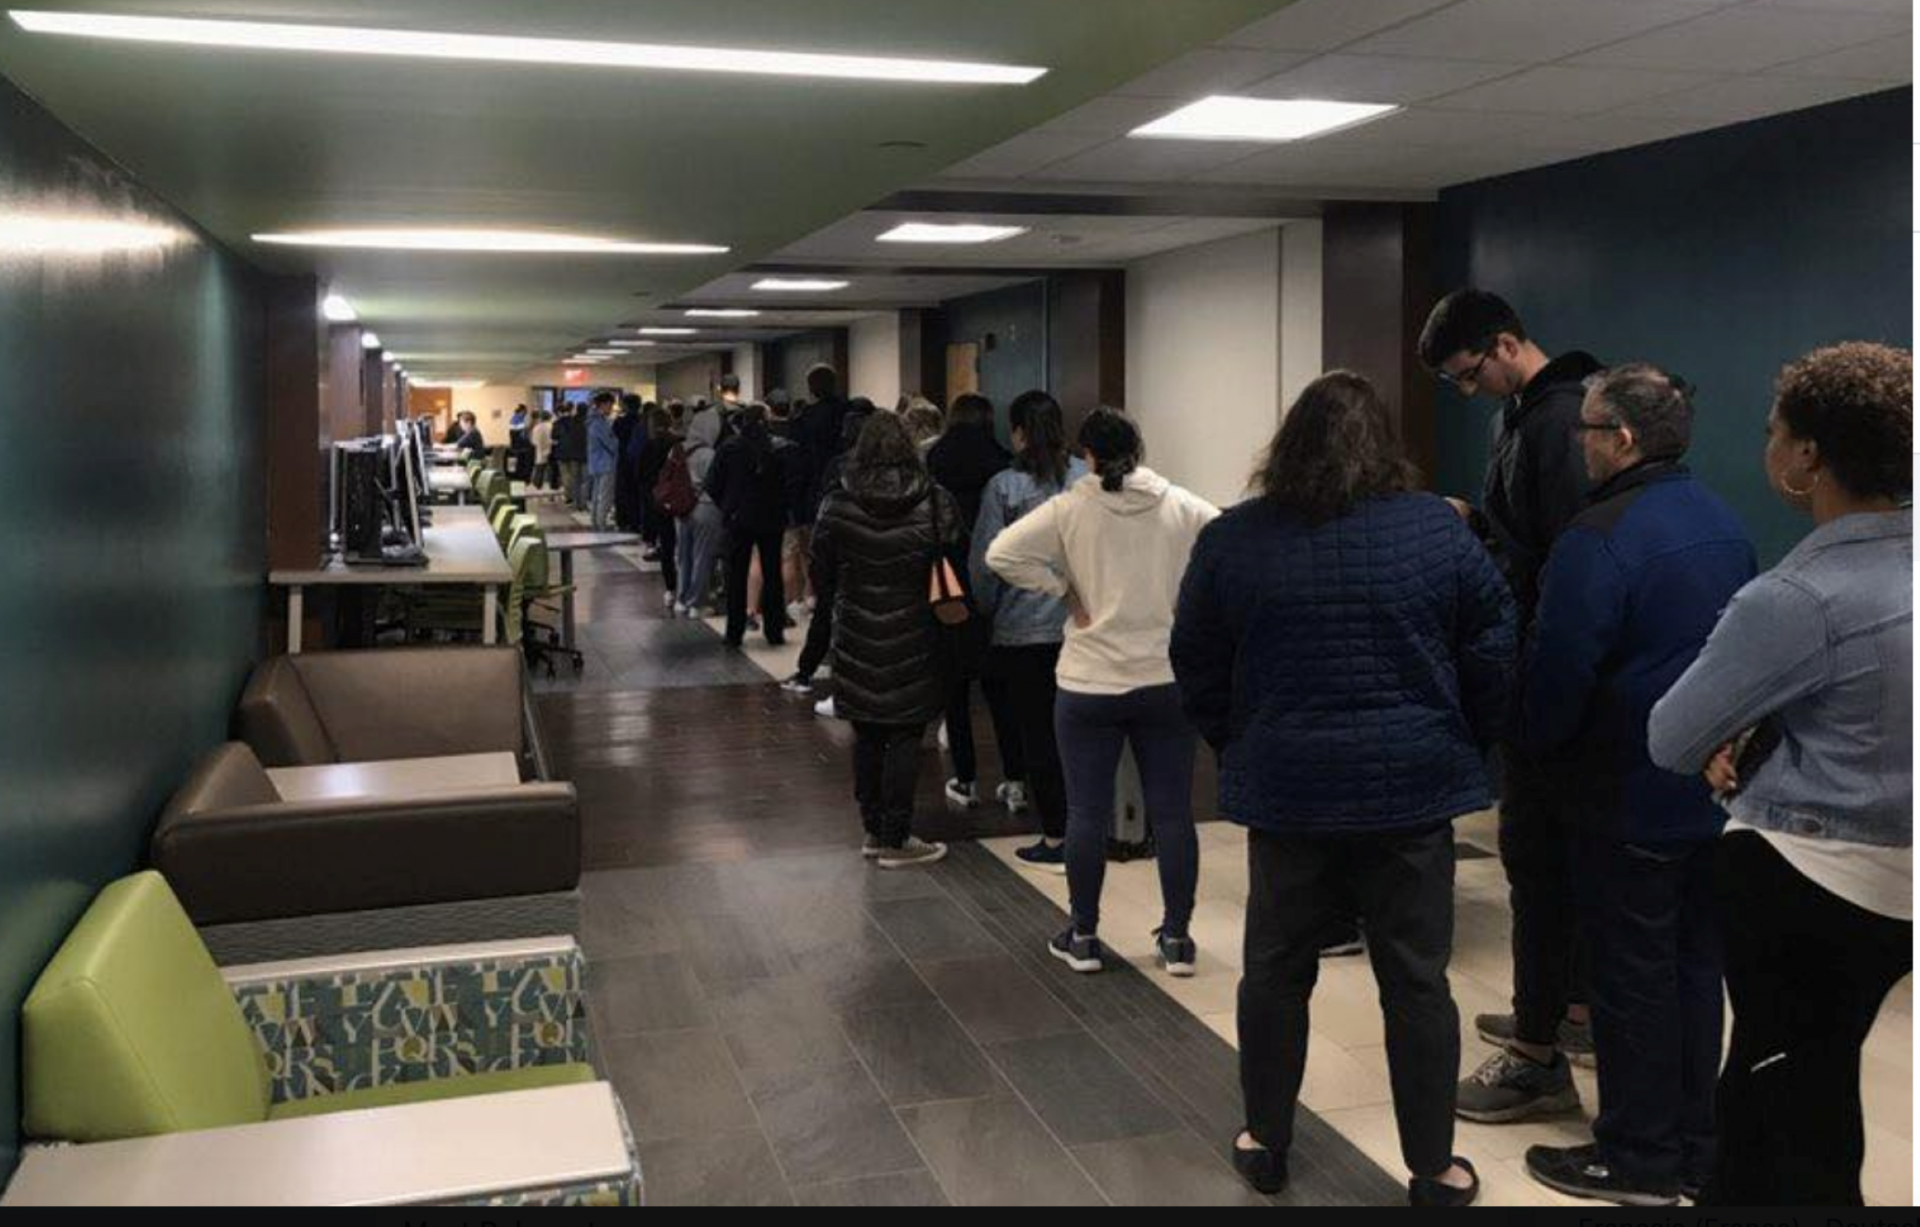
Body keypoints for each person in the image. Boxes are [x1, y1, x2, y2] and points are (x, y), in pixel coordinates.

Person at [1172, 371, 1511, 1208]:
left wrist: (1241, 739)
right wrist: (1463, 733)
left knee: (1276, 970)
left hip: (1287, 791)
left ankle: (1266, 1140)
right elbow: (1496, 640)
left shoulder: (1234, 537)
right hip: (1412, 792)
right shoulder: (1436, 530)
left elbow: (1196, 659)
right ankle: (1433, 1166)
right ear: (1384, 444)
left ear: (1286, 444)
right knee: (1416, 980)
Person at [1649, 342, 1913, 1207]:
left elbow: (1671, 736)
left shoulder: (1797, 597)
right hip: (1896, 887)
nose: (1765, 444)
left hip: (1809, 883)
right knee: (1802, 1086)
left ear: (1807, 455)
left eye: (1773, 430)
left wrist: (1737, 736)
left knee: (1783, 1109)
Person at [1513, 366, 1756, 1207]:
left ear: (1620, 439)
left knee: (1630, 978)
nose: (1576, 443)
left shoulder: (1597, 537)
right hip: (1709, 792)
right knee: (1695, 971)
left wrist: (1533, 755)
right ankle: (1695, 1145)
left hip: (1620, 793)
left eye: (1586, 429)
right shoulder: (1724, 524)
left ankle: (1637, 1156)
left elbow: (1559, 672)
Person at [1418, 288, 1605, 1118]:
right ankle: (1565, 1012)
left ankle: (1538, 1051)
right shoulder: (1538, 413)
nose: (1469, 391)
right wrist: (1481, 520)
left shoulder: (1560, 422)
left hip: (1551, 676)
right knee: (1555, 860)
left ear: (1503, 343)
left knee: (1535, 857)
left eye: (1468, 374)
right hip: (1550, 670)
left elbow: (1564, 561)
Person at [987, 407, 1219, 978]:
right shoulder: (1180, 504)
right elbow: (1226, 544)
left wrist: (1061, 588)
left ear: (1086, 456)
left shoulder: (1070, 507)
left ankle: (1084, 935)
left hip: (1088, 683)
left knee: (1086, 812)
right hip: (1164, 681)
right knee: (1171, 814)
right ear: (1139, 449)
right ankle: (1178, 940)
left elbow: (1001, 554)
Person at [811, 412, 964, 869]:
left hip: (856, 629)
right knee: (905, 733)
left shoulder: (837, 502)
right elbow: (955, 554)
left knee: (866, 732)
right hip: (917, 631)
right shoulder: (935, 501)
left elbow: (822, 570)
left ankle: (874, 828)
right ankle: (897, 836)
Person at [970, 390, 1086, 871]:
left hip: (1021, 632)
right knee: (1083, 735)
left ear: (1018, 432)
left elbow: (985, 564)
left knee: (1037, 734)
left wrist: (991, 613)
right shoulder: (1086, 479)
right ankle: (1091, 828)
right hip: (1082, 626)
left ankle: (1057, 835)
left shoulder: (1004, 487)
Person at [928, 393, 1014, 809]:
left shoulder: (933, 461)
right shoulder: (1005, 466)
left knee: (955, 691)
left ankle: (965, 778)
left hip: (948, 588)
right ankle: (1015, 777)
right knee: (1003, 693)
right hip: (1000, 589)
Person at [784, 400, 878, 696]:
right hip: (876, 556)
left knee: (828, 616)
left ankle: (807, 675)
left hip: (842, 555)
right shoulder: (890, 472)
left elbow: (825, 511)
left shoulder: (838, 467)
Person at [706, 402, 798, 648]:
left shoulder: (729, 447)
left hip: (738, 519)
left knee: (736, 575)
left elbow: (712, 483)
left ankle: (734, 632)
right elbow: (791, 485)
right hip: (771, 518)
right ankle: (774, 629)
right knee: (772, 573)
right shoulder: (780, 448)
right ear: (766, 422)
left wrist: (728, 506)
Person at [672, 401, 726, 618]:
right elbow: (716, 484)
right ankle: (697, 602)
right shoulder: (709, 454)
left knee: (683, 555)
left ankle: (681, 599)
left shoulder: (677, 449)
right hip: (705, 507)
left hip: (681, 507)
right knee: (702, 557)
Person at [633, 404, 680, 606]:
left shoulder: (648, 446)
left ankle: (670, 589)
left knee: (667, 546)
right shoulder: (678, 443)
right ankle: (689, 588)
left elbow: (640, 474)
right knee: (685, 547)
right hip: (679, 500)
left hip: (659, 501)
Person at [586, 391, 620, 532]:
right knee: (604, 496)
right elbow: (611, 443)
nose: (612, 408)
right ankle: (601, 524)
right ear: (604, 404)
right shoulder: (600, 423)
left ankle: (595, 522)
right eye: (611, 405)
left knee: (596, 495)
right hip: (605, 463)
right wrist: (617, 441)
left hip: (595, 462)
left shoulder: (591, 421)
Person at [614, 393, 645, 532]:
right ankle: (637, 521)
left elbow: (614, 439)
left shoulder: (619, 422)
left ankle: (623, 520)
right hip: (641, 460)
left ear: (625, 405)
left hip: (623, 459)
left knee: (622, 491)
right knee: (637, 492)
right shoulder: (643, 421)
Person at [553, 401, 588, 510]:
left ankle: (571, 498)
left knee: (569, 476)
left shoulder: (560, 422)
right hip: (582, 454)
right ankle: (581, 502)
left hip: (567, 453)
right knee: (583, 480)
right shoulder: (587, 422)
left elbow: (554, 436)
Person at [529, 408, 555, 489]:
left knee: (539, 472)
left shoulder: (536, 428)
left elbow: (533, 442)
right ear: (550, 417)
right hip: (551, 452)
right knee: (551, 473)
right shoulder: (552, 426)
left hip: (539, 452)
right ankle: (552, 488)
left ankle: (537, 489)